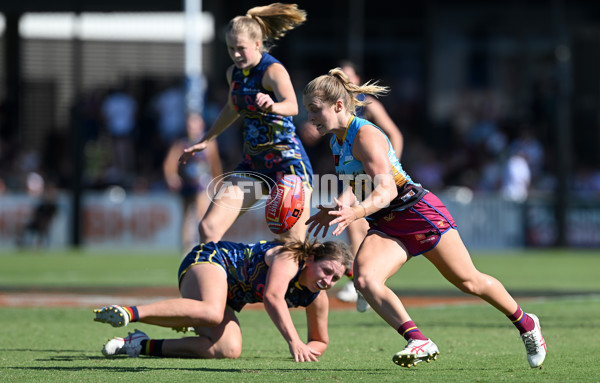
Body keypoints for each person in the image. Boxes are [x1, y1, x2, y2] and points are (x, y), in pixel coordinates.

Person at [301, 68, 547, 369]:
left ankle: (526, 324)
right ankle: (418, 339)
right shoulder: (336, 142)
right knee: (365, 279)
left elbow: (387, 189)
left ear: (338, 106)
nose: (310, 117)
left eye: (315, 110)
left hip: (415, 212)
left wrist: (355, 212)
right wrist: (341, 203)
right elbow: (360, 182)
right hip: (387, 223)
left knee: (469, 281)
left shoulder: (364, 134)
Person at [93, 238, 353, 362]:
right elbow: (273, 297)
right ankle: (128, 312)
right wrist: (294, 341)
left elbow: (320, 340)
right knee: (212, 311)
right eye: (326, 271)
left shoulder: (316, 297)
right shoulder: (289, 259)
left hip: (225, 296)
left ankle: (139, 345)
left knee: (228, 350)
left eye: (335, 278)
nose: (328, 281)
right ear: (310, 260)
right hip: (211, 260)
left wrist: (308, 351)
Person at [180, 3, 313, 244]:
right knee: (208, 229)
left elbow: (292, 105)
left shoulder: (272, 70)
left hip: (288, 164)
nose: (236, 54)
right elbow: (233, 107)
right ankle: (214, 281)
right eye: (231, 49)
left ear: (257, 44)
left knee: (291, 245)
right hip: (253, 163)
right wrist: (206, 139)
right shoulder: (234, 73)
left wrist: (273, 106)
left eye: (241, 48)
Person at [335, 61, 405, 311]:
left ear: (357, 78)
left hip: (371, 173)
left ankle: (361, 281)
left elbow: (395, 134)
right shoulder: (335, 112)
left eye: (348, 76)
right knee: (354, 223)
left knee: (353, 217)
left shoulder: (369, 105)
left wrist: (388, 162)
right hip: (356, 173)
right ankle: (361, 280)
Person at [163, 113, 223, 251]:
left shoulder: (209, 143)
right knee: (186, 217)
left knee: (201, 214)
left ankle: (202, 246)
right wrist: (172, 177)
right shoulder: (181, 143)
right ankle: (186, 248)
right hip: (186, 184)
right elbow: (170, 163)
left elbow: (215, 164)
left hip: (202, 184)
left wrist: (218, 182)